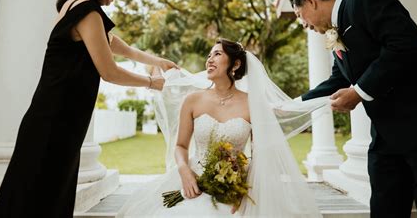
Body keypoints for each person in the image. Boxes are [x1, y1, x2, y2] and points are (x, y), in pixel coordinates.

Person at [0, 0, 178, 218]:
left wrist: (154, 61)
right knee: (40, 198)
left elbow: (113, 44)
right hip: (56, 120)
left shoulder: (75, 5)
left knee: (35, 194)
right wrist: (152, 83)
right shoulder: (88, 11)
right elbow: (109, 71)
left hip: (55, 118)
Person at [290, 0, 417, 218]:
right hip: (387, 135)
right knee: (384, 206)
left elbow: (404, 44)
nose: (303, 24)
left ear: (310, 1)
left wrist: (358, 92)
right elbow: (338, 81)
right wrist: (292, 106)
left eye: (299, 15)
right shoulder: (336, 35)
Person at [122, 38, 323, 217]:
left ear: (235, 64)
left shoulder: (253, 104)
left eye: (217, 54)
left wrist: (243, 190)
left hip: (235, 188)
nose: (209, 59)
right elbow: (181, 146)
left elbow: (260, 155)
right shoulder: (192, 100)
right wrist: (184, 170)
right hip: (192, 182)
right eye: (209, 55)